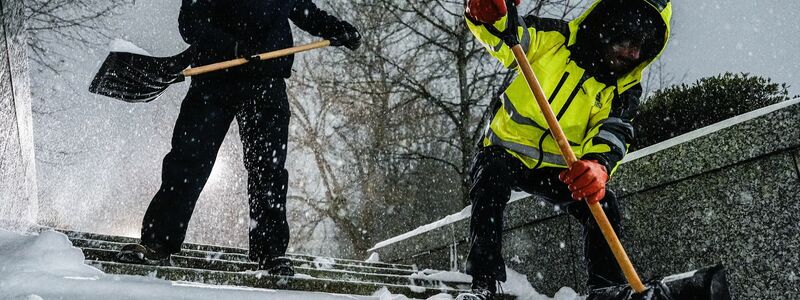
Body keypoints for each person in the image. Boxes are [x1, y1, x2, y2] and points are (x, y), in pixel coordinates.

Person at [116, 0, 361, 276]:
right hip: (214, 79)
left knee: (268, 171)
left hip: (266, 82)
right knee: (187, 162)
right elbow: (190, 24)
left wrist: (336, 29)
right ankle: (157, 243)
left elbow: (305, 10)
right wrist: (231, 46)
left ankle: (270, 255)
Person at [458, 0, 671, 299]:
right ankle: (483, 283)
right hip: (505, 150)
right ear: (607, 27)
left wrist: (598, 165)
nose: (633, 54)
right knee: (490, 180)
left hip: (560, 170)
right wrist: (485, 14)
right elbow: (507, 32)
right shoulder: (553, 39)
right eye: (627, 41)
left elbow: (614, 130)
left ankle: (605, 289)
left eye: (641, 48)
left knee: (603, 206)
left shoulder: (623, 89)